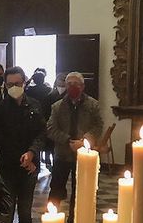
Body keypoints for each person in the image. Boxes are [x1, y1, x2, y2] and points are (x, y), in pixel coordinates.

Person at [0, 66, 46, 223]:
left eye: (17, 83)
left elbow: (41, 134)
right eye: (10, 85)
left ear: (24, 82)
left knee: (25, 212)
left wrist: (32, 154)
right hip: (8, 166)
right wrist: (21, 157)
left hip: (30, 167)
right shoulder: (0, 109)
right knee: (7, 211)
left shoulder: (34, 105)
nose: (14, 87)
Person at [39, 72, 104, 208]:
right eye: (69, 84)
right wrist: (68, 140)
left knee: (80, 191)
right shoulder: (57, 106)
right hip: (62, 154)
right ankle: (51, 222)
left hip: (83, 155)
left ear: (83, 86)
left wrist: (84, 141)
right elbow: (50, 128)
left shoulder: (93, 105)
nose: (72, 87)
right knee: (56, 190)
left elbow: (98, 126)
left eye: (76, 84)